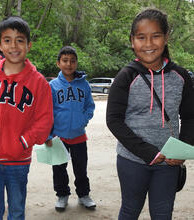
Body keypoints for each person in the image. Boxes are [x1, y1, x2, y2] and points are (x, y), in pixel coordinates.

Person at [106, 8, 194, 220]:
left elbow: (190, 117)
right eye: (141, 37)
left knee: (163, 213)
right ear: (132, 41)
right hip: (132, 161)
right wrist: (148, 152)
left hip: (169, 164)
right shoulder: (125, 77)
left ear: (166, 38)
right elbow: (114, 121)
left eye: (155, 36)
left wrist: (183, 149)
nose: (148, 44)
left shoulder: (181, 76)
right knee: (130, 210)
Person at [0, 16, 54, 219]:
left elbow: (44, 122)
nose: (14, 46)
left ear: (29, 45)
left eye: (20, 40)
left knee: (17, 210)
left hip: (18, 160)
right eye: (7, 40)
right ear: (0, 45)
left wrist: (24, 141)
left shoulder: (39, 83)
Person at [46, 46, 96, 212]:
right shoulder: (53, 85)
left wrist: (83, 120)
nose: (69, 64)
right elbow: (47, 111)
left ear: (76, 63)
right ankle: (62, 195)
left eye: (72, 61)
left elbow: (90, 106)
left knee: (80, 168)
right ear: (58, 63)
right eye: (65, 61)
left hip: (79, 136)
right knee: (59, 169)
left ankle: (83, 195)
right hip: (58, 136)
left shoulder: (84, 85)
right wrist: (48, 135)